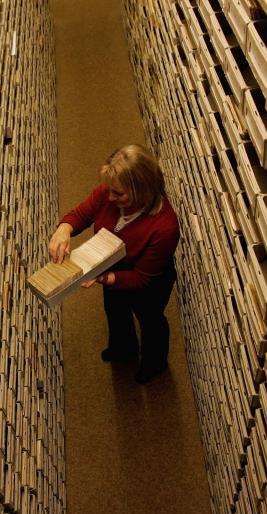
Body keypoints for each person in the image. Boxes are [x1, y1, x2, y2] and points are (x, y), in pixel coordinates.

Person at [48, 144, 181, 384]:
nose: (109, 197)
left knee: (151, 321)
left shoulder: (165, 227)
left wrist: (104, 278)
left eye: (118, 194)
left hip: (149, 282)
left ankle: (154, 363)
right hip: (112, 264)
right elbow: (83, 214)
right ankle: (124, 348)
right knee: (115, 310)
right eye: (109, 190)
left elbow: (142, 278)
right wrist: (63, 229)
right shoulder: (110, 192)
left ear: (142, 189)